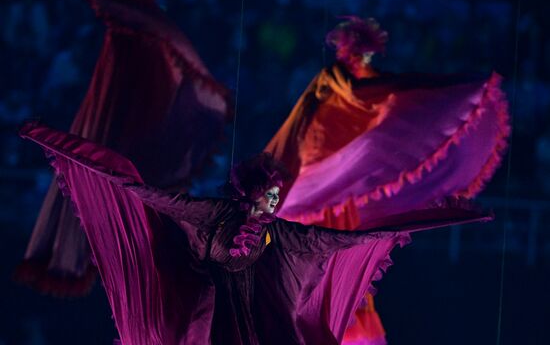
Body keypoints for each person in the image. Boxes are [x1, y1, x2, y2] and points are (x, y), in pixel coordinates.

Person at [20, 122, 491, 345]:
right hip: (212, 319)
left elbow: (336, 240)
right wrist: (102, 173)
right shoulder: (214, 215)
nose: (271, 204)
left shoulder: (282, 235)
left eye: (274, 199)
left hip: (262, 324)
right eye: (266, 196)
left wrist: (412, 223)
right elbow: (158, 200)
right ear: (249, 192)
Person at [265, 16, 510, 344]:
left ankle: (331, 317)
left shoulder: (363, 86)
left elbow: (389, 93)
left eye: (368, 56)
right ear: (348, 51)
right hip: (316, 185)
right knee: (313, 266)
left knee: (341, 264)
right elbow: (309, 127)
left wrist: (439, 87)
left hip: (337, 193)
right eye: (361, 54)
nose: (365, 61)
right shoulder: (334, 80)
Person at [16, 0, 231, 295]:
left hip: (140, 91)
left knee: (130, 160)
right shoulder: (122, 1)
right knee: (103, 154)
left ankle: (126, 237)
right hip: (122, 89)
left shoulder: (141, 9)